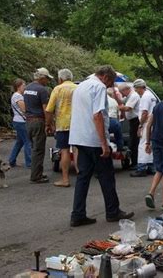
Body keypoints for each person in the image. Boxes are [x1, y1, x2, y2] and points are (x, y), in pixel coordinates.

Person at [69, 65, 134, 227]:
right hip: (93, 139)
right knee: (106, 175)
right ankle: (112, 211)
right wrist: (104, 143)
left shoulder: (81, 86)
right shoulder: (98, 87)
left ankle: (78, 214)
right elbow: (97, 115)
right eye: (110, 82)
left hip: (79, 136)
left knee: (83, 177)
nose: (109, 86)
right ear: (105, 77)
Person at [45, 69, 77, 188]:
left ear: (60, 79)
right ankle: (80, 177)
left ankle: (65, 179)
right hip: (77, 123)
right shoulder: (77, 88)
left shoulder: (58, 89)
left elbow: (49, 109)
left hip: (62, 124)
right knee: (77, 149)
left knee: (64, 150)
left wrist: (48, 124)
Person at [24, 67, 52, 184]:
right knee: (39, 150)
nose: (48, 81)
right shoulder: (42, 90)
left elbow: (25, 106)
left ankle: (36, 173)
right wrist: (48, 123)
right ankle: (36, 176)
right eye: (47, 79)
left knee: (33, 148)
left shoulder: (27, 88)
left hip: (28, 121)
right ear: (42, 78)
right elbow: (45, 109)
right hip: (38, 121)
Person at [131, 79, 157, 177]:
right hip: (152, 122)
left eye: (136, 89)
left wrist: (140, 125)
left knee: (142, 145)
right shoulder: (151, 95)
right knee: (149, 143)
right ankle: (151, 166)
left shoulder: (145, 97)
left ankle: (141, 168)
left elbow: (144, 112)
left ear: (139, 87)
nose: (136, 91)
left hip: (147, 123)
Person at [8, 78, 31, 168]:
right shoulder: (18, 96)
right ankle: (29, 163)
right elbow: (24, 109)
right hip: (21, 122)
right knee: (27, 142)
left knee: (20, 142)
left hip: (18, 121)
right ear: (18, 86)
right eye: (23, 85)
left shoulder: (17, 95)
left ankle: (12, 160)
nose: (25, 87)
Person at [118, 83, 140, 169]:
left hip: (135, 120)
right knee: (132, 141)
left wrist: (117, 107)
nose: (122, 94)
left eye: (122, 92)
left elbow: (128, 108)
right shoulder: (130, 96)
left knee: (134, 142)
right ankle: (134, 162)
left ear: (126, 90)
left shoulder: (133, 96)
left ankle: (135, 163)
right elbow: (122, 101)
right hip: (132, 121)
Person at [107, 88, 124, 152]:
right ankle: (120, 149)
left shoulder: (103, 100)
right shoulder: (114, 101)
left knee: (105, 135)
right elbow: (117, 114)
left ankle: (107, 148)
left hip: (107, 120)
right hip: (115, 121)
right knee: (119, 136)